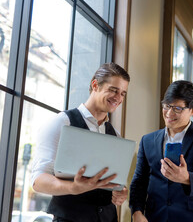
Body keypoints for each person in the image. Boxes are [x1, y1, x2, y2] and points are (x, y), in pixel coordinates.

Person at [31, 63, 130, 222]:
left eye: (123, 93)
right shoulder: (62, 122)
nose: (118, 98)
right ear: (95, 85)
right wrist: (72, 188)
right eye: (113, 90)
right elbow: (38, 181)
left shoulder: (115, 135)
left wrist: (119, 193)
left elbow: (113, 182)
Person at [129, 80, 193, 222]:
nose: (169, 113)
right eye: (167, 106)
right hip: (154, 217)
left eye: (177, 109)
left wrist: (186, 178)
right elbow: (139, 181)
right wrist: (136, 212)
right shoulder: (147, 140)